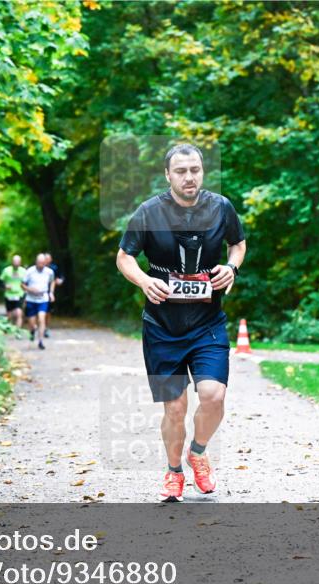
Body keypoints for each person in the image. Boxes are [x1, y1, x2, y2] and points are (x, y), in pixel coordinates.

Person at [115, 143, 246, 502]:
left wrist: (231, 268)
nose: (189, 177)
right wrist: (144, 280)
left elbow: (239, 244)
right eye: (181, 171)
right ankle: (174, 471)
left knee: (213, 394)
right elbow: (124, 257)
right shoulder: (149, 212)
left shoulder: (221, 207)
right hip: (161, 326)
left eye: (195, 170)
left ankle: (198, 453)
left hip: (207, 322)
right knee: (175, 407)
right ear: (168, 175)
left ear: (202, 172)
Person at [22, 253, 55, 350]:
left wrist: (51, 293)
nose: (41, 265)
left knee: (41, 318)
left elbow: (52, 281)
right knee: (32, 323)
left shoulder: (49, 272)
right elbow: (22, 284)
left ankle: (40, 341)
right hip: (31, 299)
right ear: (36, 262)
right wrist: (30, 289)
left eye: (43, 263)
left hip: (43, 298)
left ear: (45, 263)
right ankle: (32, 330)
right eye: (39, 263)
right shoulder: (29, 271)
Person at [0, 254, 26, 328]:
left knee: (19, 313)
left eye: (18, 261)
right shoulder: (6, 270)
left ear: (20, 262)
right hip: (9, 295)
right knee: (9, 314)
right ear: (12, 262)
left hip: (20, 294)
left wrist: (25, 289)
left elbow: (27, 282)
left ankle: (18, 331)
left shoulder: (23, 271)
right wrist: (5, 286)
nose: (16, 263)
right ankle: (9, 327)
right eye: (15, 261)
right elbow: (0, 281)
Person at [42, 252, 64, 337]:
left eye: (48, 259)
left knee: (47, 311)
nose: (46, 260)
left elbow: (60, 277)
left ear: (51, 260)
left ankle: (46, 327)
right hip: (39, 292)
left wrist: (60, 280)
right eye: (45, 258)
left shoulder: (54, 268)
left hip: (50, 292)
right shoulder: (38, 268)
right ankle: (40, 326)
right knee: (40, 311)